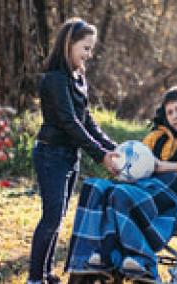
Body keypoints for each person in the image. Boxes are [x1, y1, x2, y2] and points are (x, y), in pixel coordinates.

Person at [67, 86, 177, 283]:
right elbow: (137, 167)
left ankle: (142, 260)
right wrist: (121, 167)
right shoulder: (154, 138)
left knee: (122, 194)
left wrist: (167, 166)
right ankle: (94, 257)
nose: (175, 116)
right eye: (170, 112)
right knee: (96, 188)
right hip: (148, 191)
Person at [27, 17, 120, 284]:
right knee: (51, 216)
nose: (89, 55)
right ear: (69, 44)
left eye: (91, 49)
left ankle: (45, 273)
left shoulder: (78, 78)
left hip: (70, 156)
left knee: (59, 216)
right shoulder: (55, 80)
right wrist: (101, 155)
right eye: (86, 48)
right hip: (51, 155)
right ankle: (35, 278)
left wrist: (113, 147)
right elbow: (70, 123)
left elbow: (87, 120)